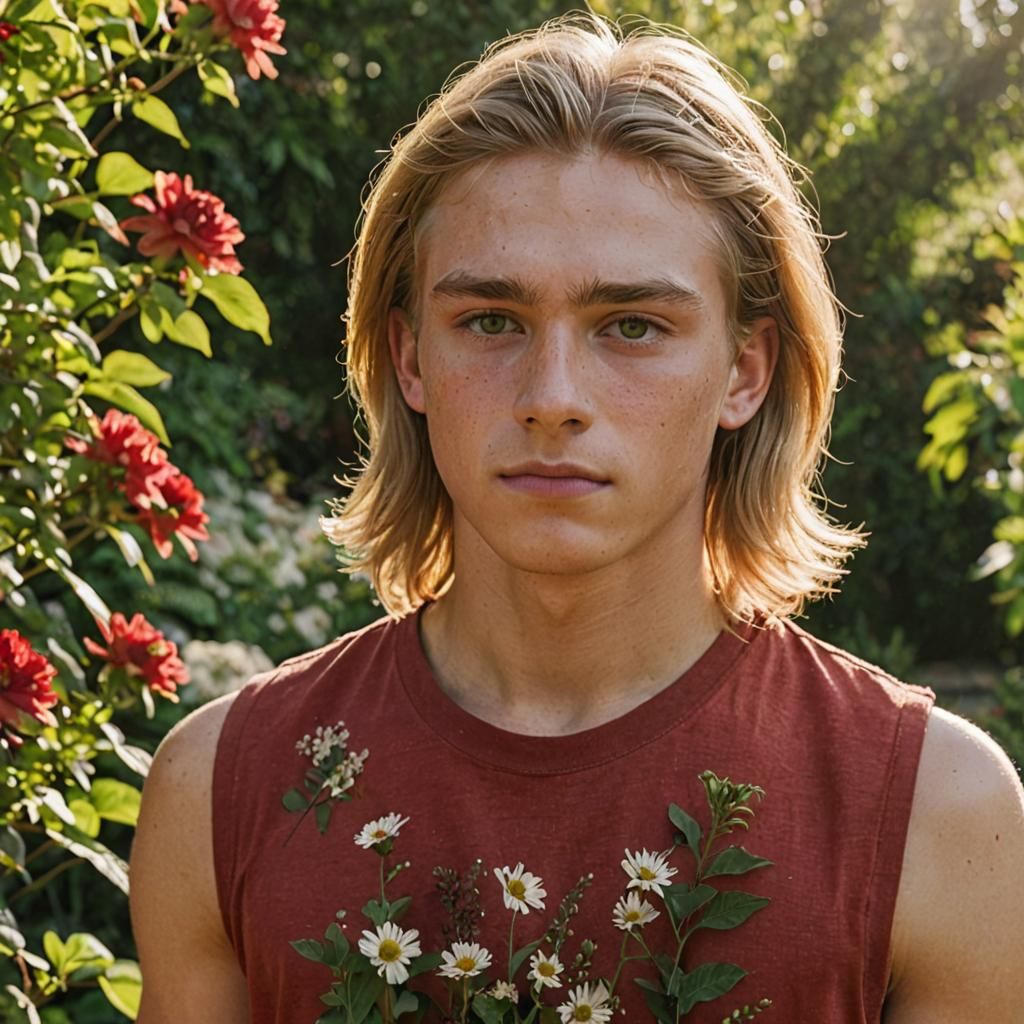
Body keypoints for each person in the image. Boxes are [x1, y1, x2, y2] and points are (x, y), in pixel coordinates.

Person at [130, 12, 1024, 1024]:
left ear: (745, 368)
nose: (552, 394)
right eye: (492, 321)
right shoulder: (221, 789)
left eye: (631, 326)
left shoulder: (936, 819)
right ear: (411, 358)